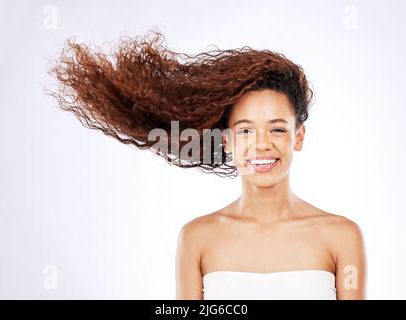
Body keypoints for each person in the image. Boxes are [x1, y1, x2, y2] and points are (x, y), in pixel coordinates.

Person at [49, 29, 367, 300]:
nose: (262, 144)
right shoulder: (197, 238)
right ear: (226, 141)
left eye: (277, 128)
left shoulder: (341, 236)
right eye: (245, 130)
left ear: (298, 137)